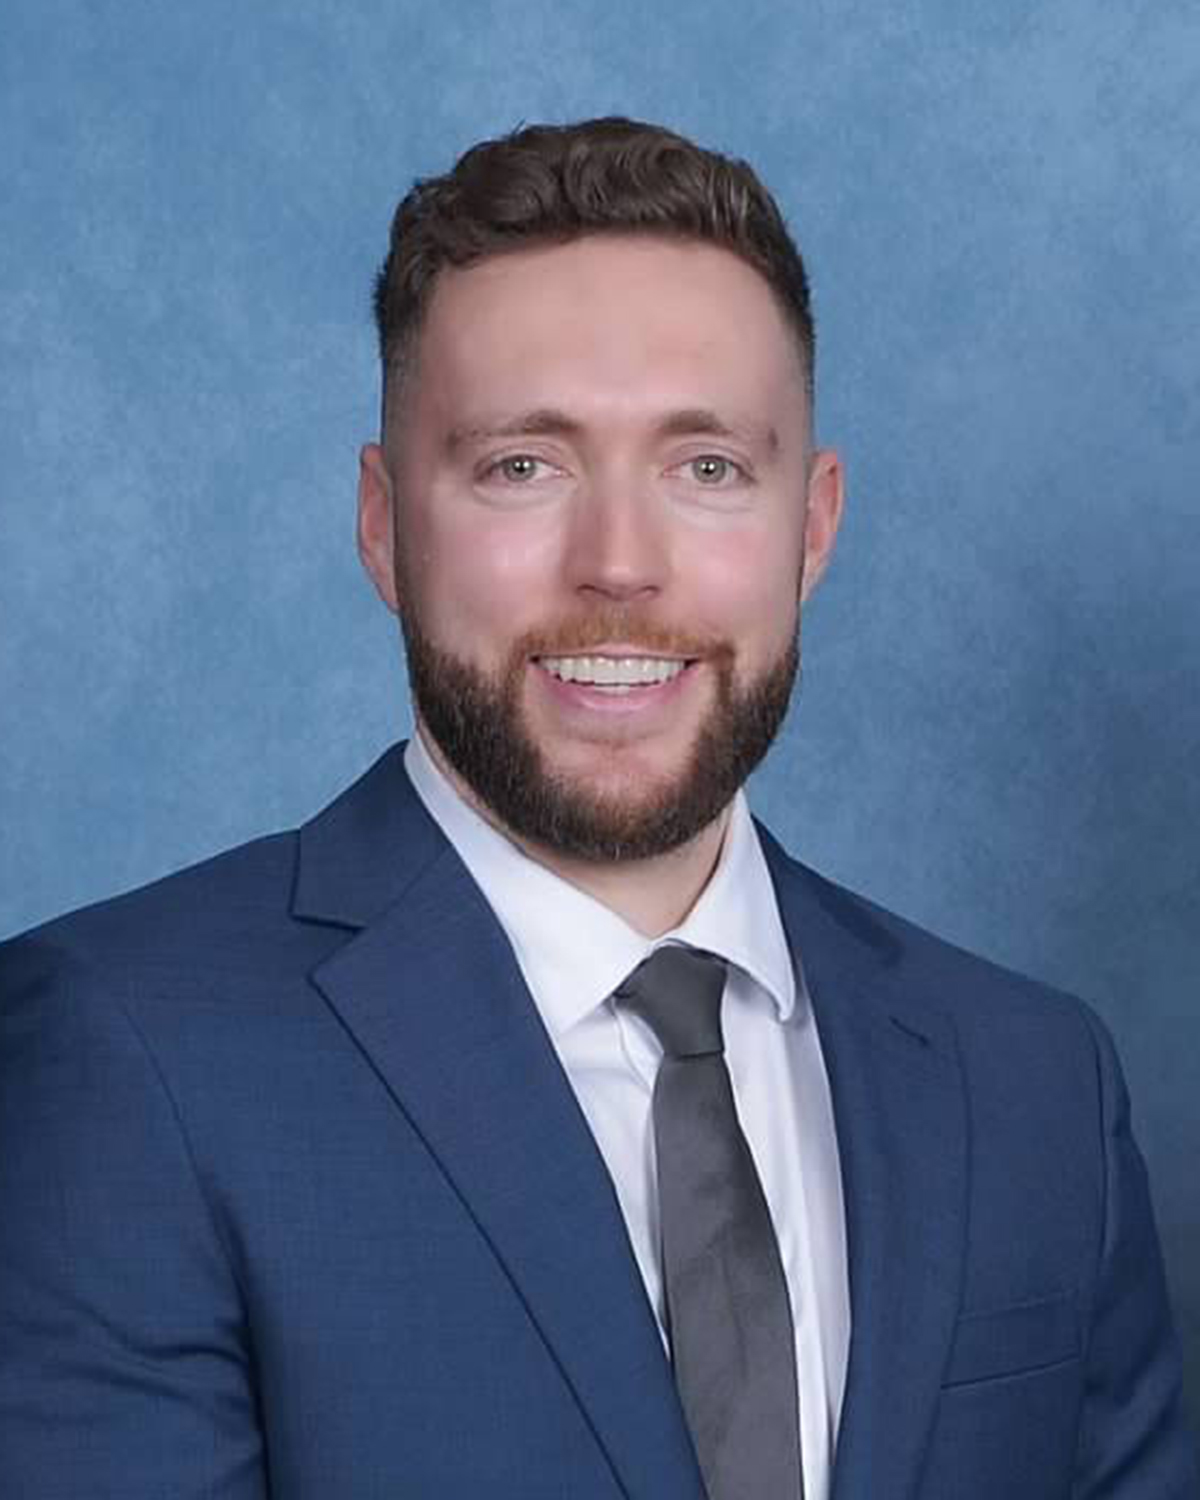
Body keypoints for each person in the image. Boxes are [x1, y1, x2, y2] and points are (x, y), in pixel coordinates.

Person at [0, 116, 1194, 1500]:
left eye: (706, 469)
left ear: (812, 529)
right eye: (524, 465)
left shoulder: (1035, 1082)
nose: (620, 564)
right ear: (385, 527)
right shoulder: (125, 1056)